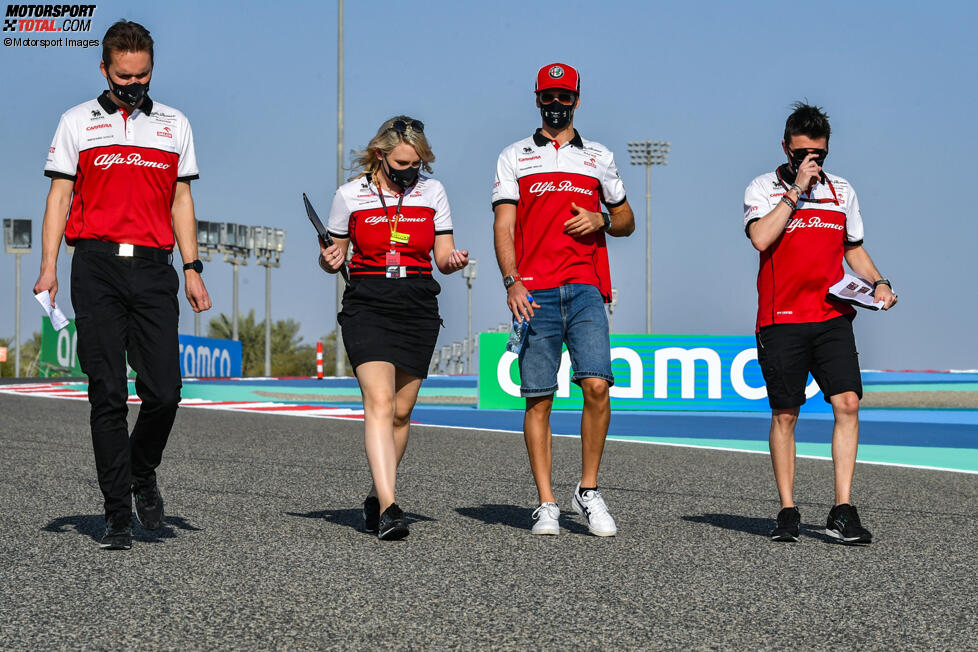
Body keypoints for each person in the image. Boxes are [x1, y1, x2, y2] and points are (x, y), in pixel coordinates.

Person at [34, 20, 211, 550]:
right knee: (106, 392)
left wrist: (192, 266)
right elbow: (59, 199)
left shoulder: (175, 124)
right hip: (95, 265)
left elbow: (181, 198)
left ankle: (141, 470)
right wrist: (48, 266)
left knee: (165, 391)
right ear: (105, 70)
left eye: (143, 76)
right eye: (123, 76)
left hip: (155, 269)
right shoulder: (76, 122)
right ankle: (116, 511)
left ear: (152, 69)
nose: (134, 86)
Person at [491, 64, 635, 536]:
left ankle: (588, 491)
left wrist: (601, 219)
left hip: (587, 287)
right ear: (537, 99)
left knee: (597, 386)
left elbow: (626, 219)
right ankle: (547, 502)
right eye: (548, 96)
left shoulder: (599, 156)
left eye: (564, 96)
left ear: (576, 99)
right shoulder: (514, 156)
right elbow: (504, 225)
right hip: (534, 292)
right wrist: (512, 280)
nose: (556, 103)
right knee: (540, 399)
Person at [743, 102, 897, 545]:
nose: (811, 162)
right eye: (802, 153)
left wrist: (879, 281)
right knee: (786, 414)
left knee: (847, 403)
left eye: (820, 155)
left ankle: (842, 510)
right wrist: (795, 190)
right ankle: (788, 510)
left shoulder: (842, 190)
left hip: (832, 315)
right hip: (781, 318)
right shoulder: (762, 187)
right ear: (786, 148)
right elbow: (760, 238)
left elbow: (853, 248)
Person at [319, 116, 468, 541]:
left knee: (402, 413)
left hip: (418, 304)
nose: (409, 171)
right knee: (380, 403)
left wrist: (453, 261)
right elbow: (335, 253)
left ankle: (373, 495)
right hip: (367, 302)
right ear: (381, 155)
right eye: (402, 163)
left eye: (417, 164)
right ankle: (389, 507)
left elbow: (442, 255)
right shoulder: (349, 195)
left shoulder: (433, 192)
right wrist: (328, 259)